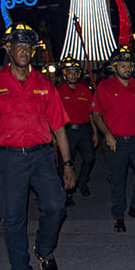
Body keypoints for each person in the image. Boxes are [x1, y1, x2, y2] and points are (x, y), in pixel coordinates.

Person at [0, 23, 76, 270]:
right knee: (13, 217)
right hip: (9, 158)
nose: (24, 51)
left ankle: (43, 249)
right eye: (18, 46)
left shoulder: (44, 84)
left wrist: (67, 164)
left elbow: (59, 127)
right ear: (8, 48)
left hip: (41, 156)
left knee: (56, 206)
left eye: (28, 47)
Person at [90, 46, 135, 232]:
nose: (127, 69)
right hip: (115, 140)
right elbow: (96, 114)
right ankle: (118, 215)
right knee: (118, 180)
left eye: (129, 65)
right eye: (123, 65)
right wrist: (107, 135)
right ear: (114, 67)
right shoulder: (104, 87)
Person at [56, 56, 97, 206]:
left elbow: (91, 113)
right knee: (66, 162)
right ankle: (67, 192)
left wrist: (94, 132)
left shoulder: (85, 91)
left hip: (84, 129)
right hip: (66, 131)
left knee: (89, 158)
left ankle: (82, 181)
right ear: (64, 74)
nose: (73, 75)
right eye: (70, 72)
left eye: (75, 72)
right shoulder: (58, 91)